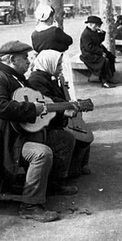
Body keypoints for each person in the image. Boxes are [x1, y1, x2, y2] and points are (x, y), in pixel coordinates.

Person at [0, 40, 77, 223]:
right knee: (41, 154)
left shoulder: (18, 78)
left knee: (64, 139)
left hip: (21, 135)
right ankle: (30, 206)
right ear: (12, 59)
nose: (29, 62)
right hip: (5, 141)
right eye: (24, 58)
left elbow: (40, 101)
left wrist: (61, 109)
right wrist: (31, 109)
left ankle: (52, 184)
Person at [28, 49, 91, 178]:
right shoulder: (36, 80)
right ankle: (61, 178)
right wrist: (66, 109)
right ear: (48, 63)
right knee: (69, 138)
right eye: (58, 65)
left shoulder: (47, 77)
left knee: (82, 136)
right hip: (46, 122)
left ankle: (77, 167)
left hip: (53, 117)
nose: (61, 68)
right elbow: (49, 101)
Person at [31, 4, 75, 98]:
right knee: (66, 85)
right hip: (58, 61)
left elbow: (36, 48)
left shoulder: (34, 34)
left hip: (43, 64)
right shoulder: (54, 31)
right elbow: (69, 41)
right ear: (50, 17)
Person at [80, 15, 116, 88]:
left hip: (95, 51)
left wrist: (102, 33)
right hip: (88, 54)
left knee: (111, 57)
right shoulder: (86, 34)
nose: (98, 27)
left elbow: (99, 41)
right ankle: (104, 81)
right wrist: (101, 52)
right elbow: (88, 47)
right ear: (91, 24)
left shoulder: (93, 31)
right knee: (104, 61)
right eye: (97, 25)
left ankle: (109, 77)